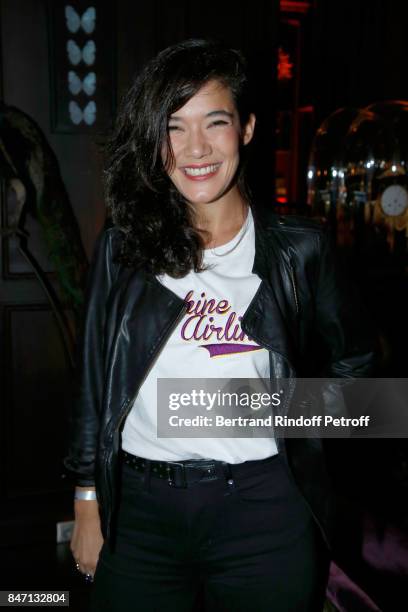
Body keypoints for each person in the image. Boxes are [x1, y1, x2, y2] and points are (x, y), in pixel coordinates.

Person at [64, 39, 376, 611]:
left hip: (263, 508)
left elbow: (360, 372)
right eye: (174, 127)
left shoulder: (300, 250)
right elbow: (91, 384)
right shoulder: (122, 251)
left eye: (215, 122)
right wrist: (86, 499)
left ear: (248, 128)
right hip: (142, 512)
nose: (195, 148)